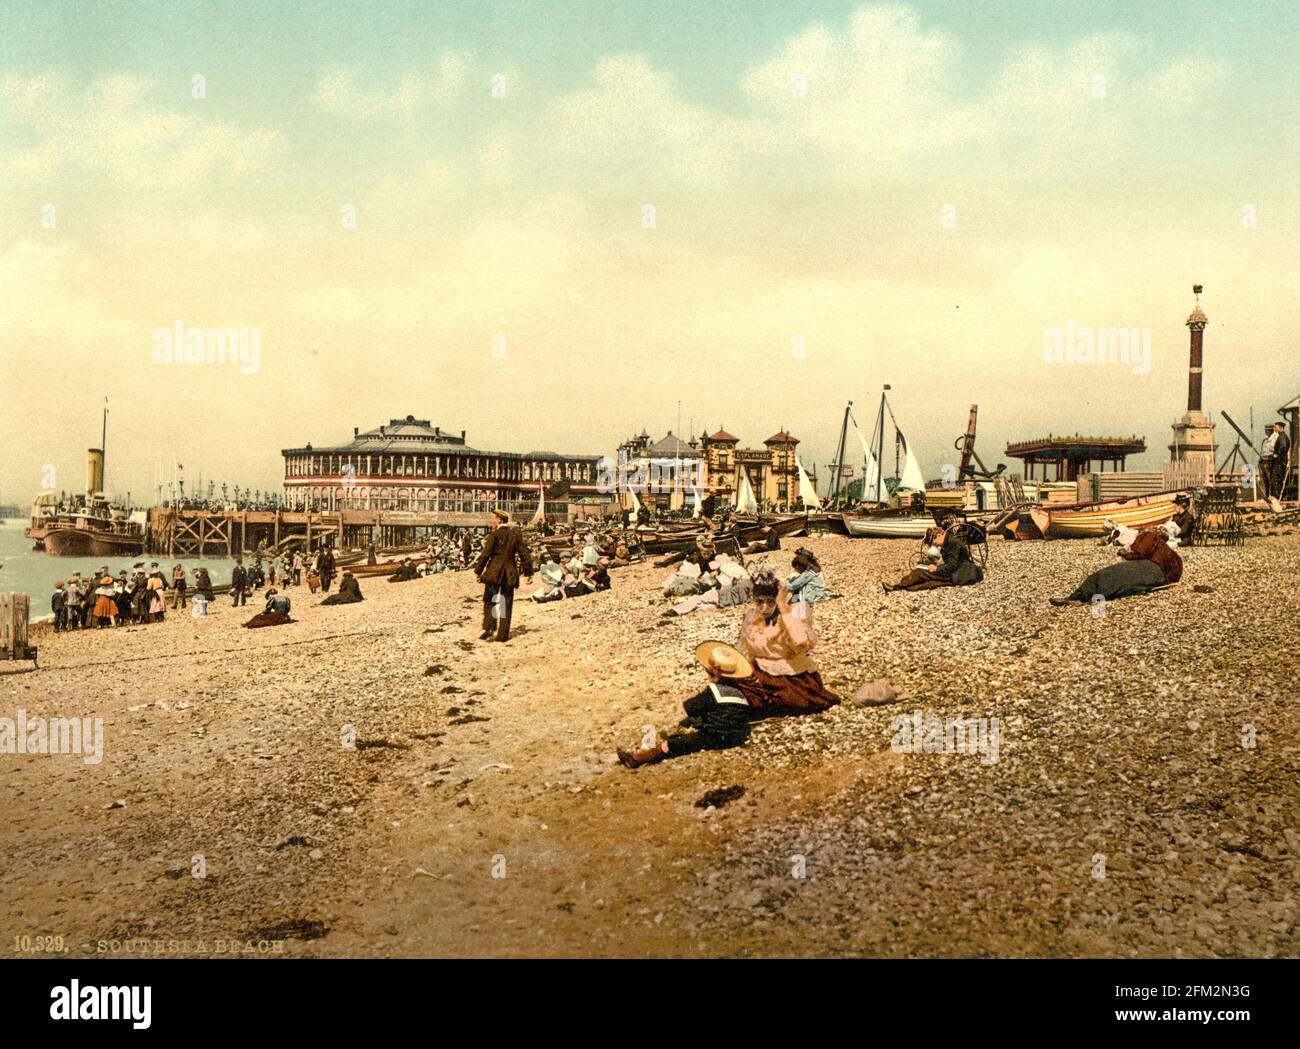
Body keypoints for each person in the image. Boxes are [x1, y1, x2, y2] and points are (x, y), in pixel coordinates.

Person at [617, 642, 754, 768]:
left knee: (672, 744)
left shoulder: (713, 692)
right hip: (737, 735)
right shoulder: (739, 692)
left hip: (717, 737)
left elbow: (691, 707)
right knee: (692, 724)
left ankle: (637, 759)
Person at [733, 570, 840, 716]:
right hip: (760, 671)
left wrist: (782, 605)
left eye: (770, 602)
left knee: (773, 703)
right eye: (759, 602)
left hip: (791, 678)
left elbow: (801, 642)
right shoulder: (752, 617)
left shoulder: (791, 615)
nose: (764, 608)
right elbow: (744, 648)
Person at [1050, 526, 1183, 606]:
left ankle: (1080, 596)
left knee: (1113, 575)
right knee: (1126, 583)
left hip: (1154, 568)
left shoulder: (1149, 535)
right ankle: (1088, 596)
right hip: (1162, 577)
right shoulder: (1168, 550)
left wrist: (1126, 555)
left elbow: (1140, 552)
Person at [472, 509, 533, 643]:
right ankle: (502, 635)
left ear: (499, 519)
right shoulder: (514, 535)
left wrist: (478, 571)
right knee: (506, 602)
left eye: (493, 518)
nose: (491, 521)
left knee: (490, 600)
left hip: (494, 572)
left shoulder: (494, 535)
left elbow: (485, 555)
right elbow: (524, 553)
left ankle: (489, 627)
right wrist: (528, 572)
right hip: (509, 572)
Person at [882, 513, 984, 592]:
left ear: (939, 535)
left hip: (961, 574)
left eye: (934, 542)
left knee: (921, 574)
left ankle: (897, 587)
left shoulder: (952, 543)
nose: (935, 545)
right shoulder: (949, 540)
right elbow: (951, 562)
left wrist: (936, 569)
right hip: (957, 572)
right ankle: (902, 586)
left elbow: (952, 565)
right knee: (926, 580)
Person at [1261, 421, 1291, 500]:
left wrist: (1277, 454)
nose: (1275, 429)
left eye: (1276, 427)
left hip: (1279, 461)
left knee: (1275, 480)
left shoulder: (1281, 436)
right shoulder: (1281, 436)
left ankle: (1275, 498)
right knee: (1274, 479)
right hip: (1278, 461)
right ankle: (1274, 497)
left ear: (1280, 427)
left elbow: (1284, 446)